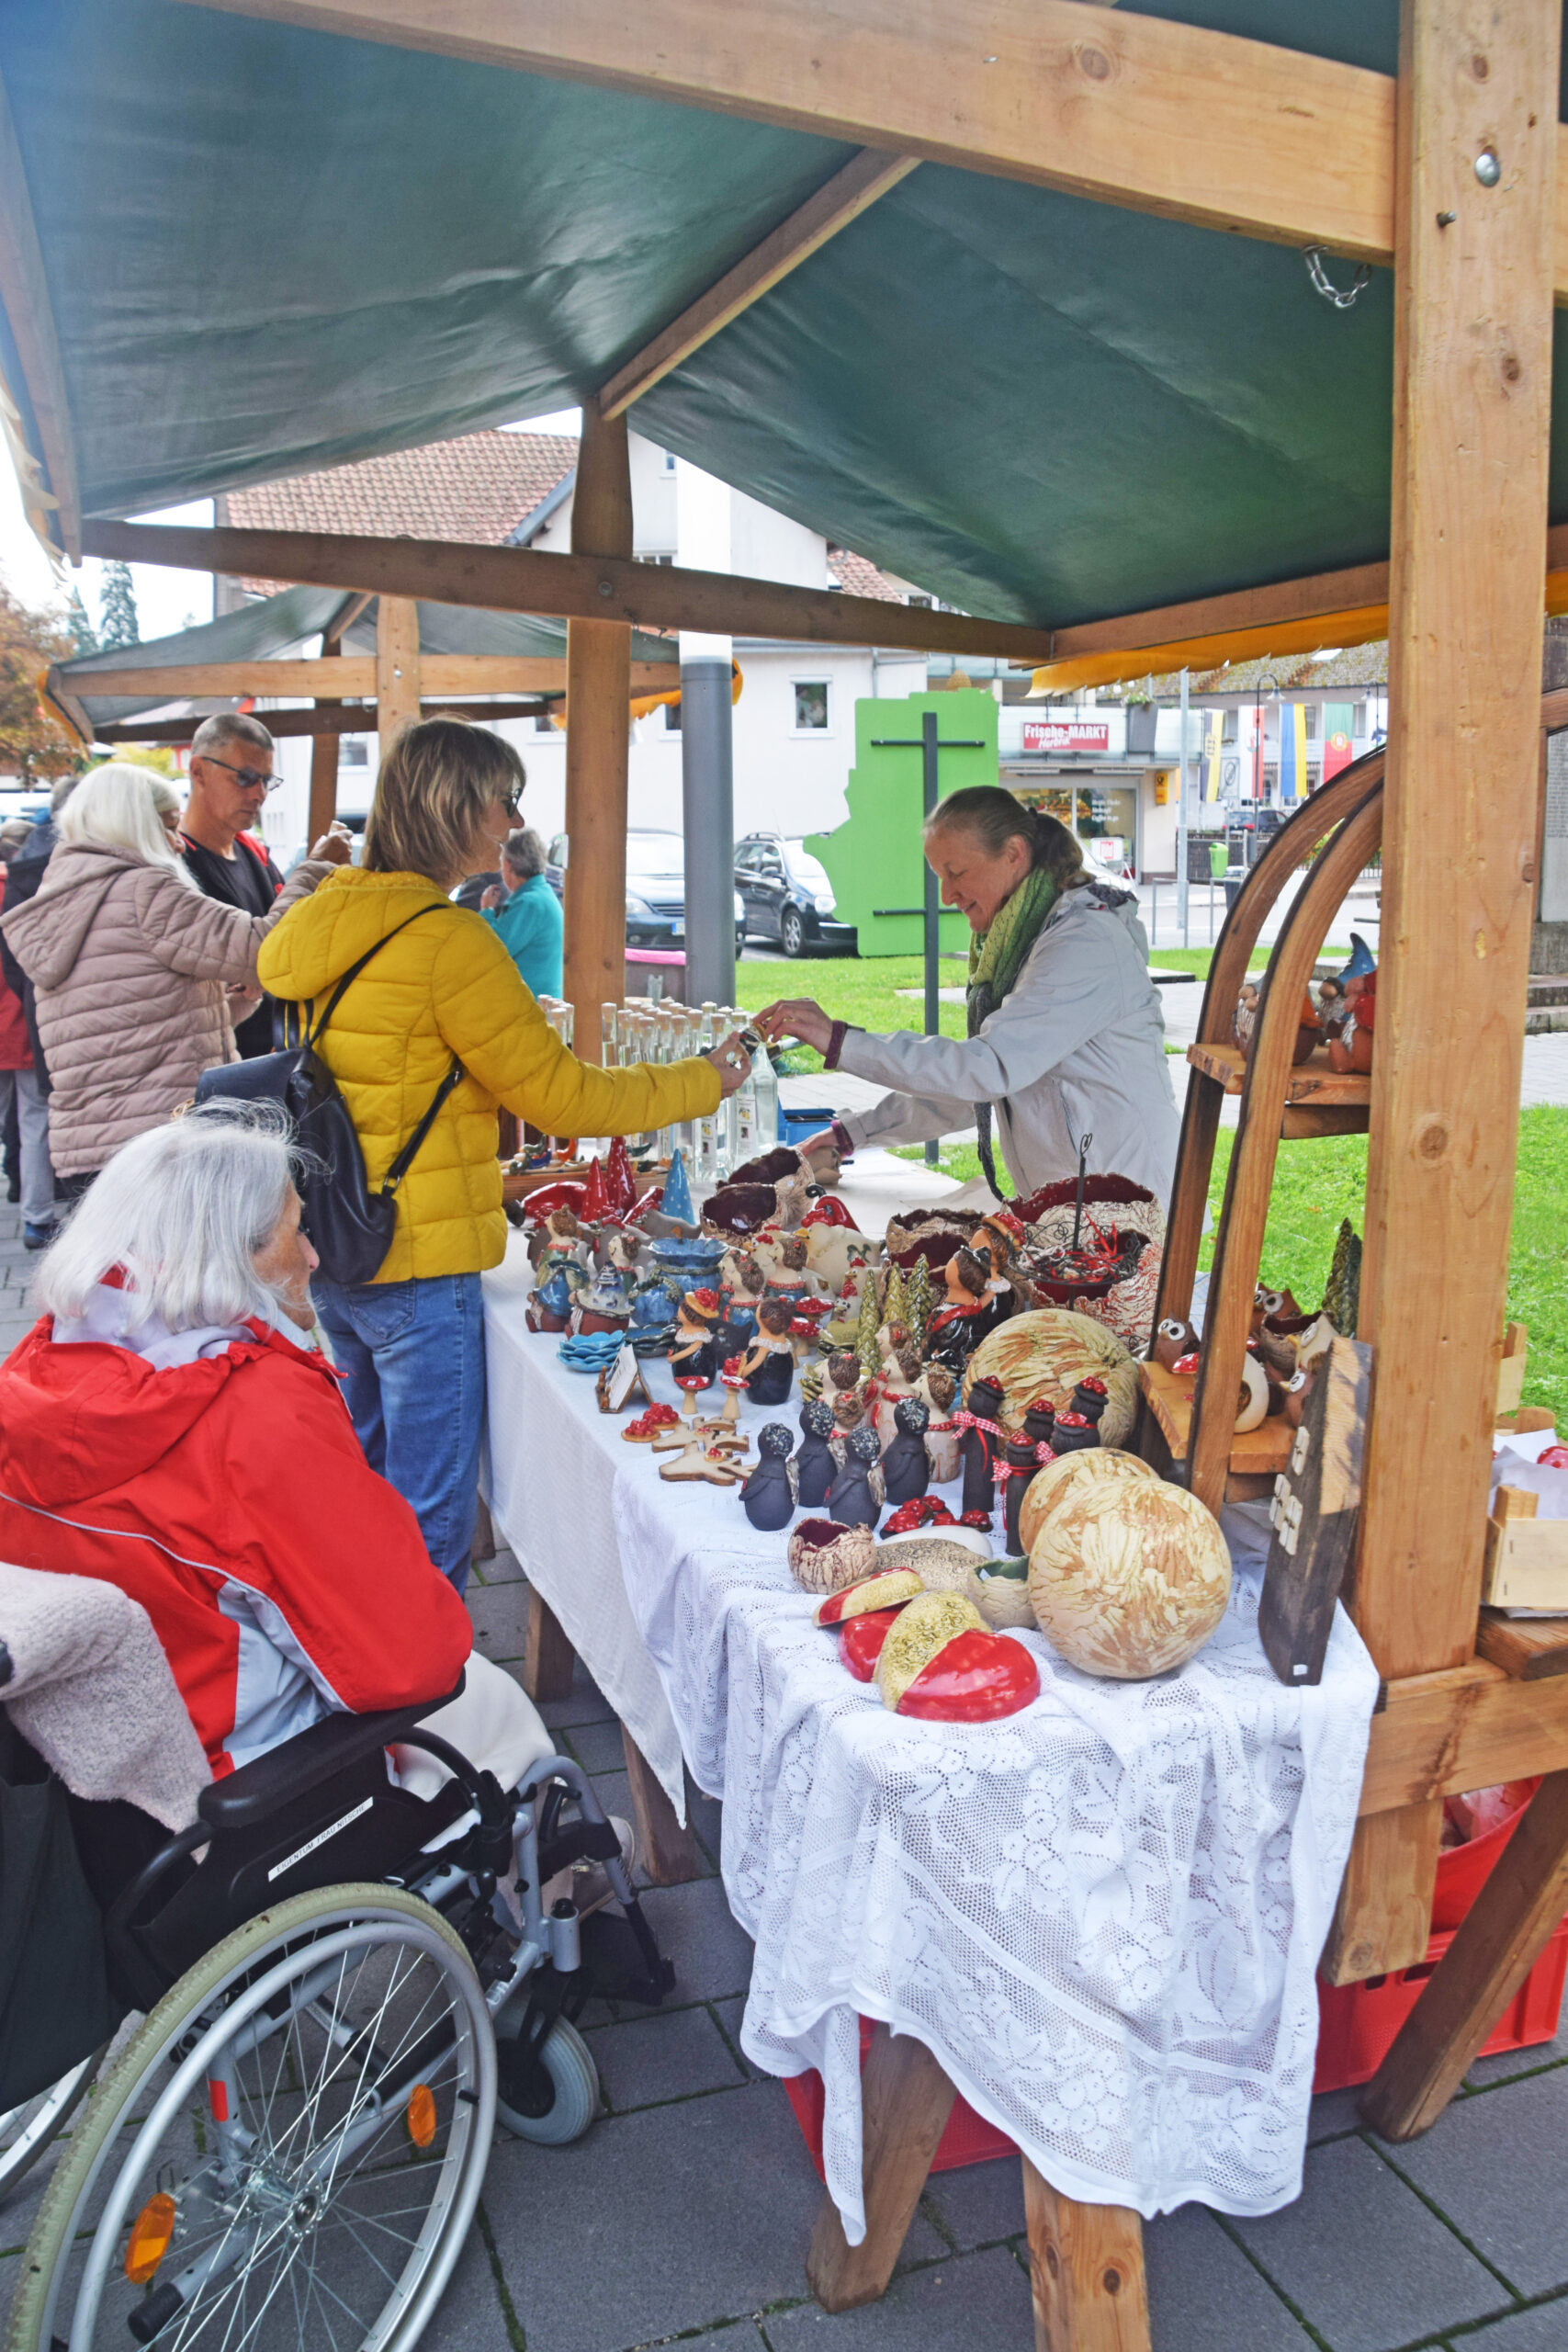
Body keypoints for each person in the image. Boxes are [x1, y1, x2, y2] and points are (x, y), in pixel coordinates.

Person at [258, 715, 749, 1586]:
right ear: (454, 808)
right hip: (417, 1254)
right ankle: (423, 1695)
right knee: (429, 1516)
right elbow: (564, 1096)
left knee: (371, 1489)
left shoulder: (324, 919)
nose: (512, 823)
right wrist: (703, 1082)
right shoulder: (448, 941)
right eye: (503, 799)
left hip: (333, 1238)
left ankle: (360, 1661)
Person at [0, 1108, 547, 1790]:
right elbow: (405, 1661)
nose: (313, 1257)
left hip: (90, 1753)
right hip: (238, 1769)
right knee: (489, 1701)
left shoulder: (33, 1367)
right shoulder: (251, 1409)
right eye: (296, 1231)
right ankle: (552, 1879)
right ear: (230, 1256)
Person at [755, 786, 1179, 1205]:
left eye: (956, 874)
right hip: (1076, 1215)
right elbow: (974, 1089)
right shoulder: (1021, 939)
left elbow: (988, 1069)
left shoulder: (1085, 941)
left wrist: (840, 1041)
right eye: (940, 877)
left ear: (1013, 853)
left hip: (1130, 1219)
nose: (947, 895)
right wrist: (850, 1135)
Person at [0, 763, 345, 1198]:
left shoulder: (64, 897)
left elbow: (129, 1028)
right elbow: (264, 948)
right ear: (133, 825)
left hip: (92, 1148)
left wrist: (234, 1005)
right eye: (167, 827)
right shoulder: (143, 890)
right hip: (162, 1145)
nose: (179, 843)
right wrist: (314, 870)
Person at [178, 712, 298, 1057]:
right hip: (213, 1073)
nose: (259, 794)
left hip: (278, 1062)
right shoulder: (173, 870)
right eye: (245, 778)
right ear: (198, 770)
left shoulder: (255, 853)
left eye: (266, 781)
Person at [479, 825, 563, 998]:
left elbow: (494, 950)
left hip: (532, 1006)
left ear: (509, 866)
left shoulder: (530, 903)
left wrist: (487, 911)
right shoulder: (541, 895)